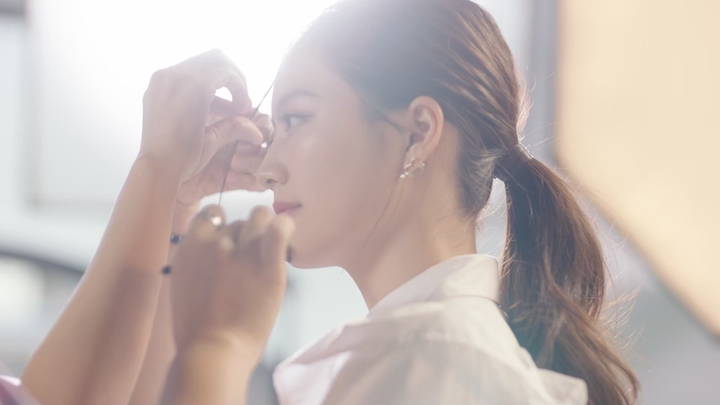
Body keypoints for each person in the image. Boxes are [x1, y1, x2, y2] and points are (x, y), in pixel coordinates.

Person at [16, 0, 640, 404]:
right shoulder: (429, 354)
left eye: (296, 118)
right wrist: (174, 201)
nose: (265, 166)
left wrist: (218, 348)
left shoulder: (439, 363)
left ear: (419, 132)